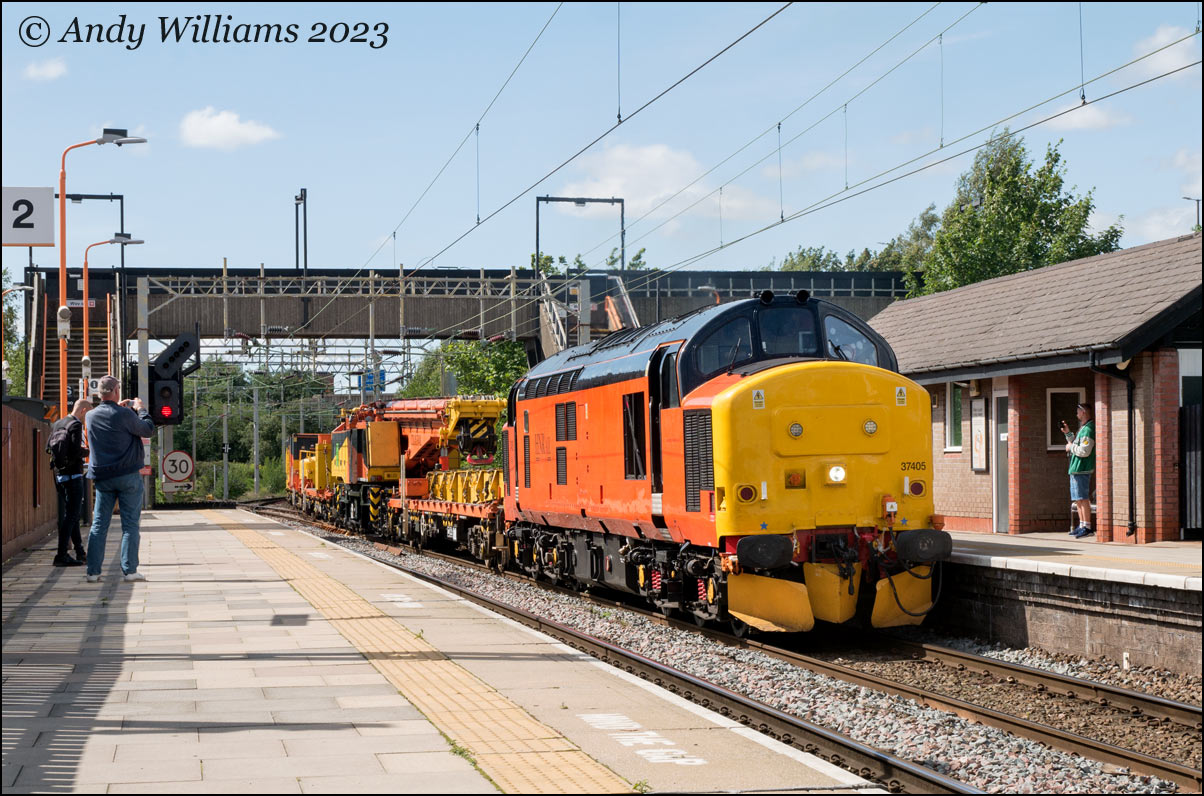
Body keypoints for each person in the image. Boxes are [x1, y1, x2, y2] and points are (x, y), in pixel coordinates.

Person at [84, 374, 155, 583]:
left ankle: (93, 572)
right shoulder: (125, 415)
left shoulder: (90, 416)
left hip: (103, 477)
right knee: (130, 525)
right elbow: (147, 430)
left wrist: (122, 409)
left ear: (100, 394)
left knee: (99, 525)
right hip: (127, 476)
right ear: (116, 391)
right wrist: (140, 409)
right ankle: (130, 570)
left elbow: (111, 420)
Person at [47, 398, 92, 567]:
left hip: (59, 474)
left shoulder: (59, 423)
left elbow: (48, 447)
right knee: (72, 516)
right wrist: (88, 451)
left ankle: (79, 552)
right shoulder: (75, 425)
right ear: (83, 411)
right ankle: (61, 554)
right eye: (87, 415)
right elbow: (74, 451)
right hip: (73, 475)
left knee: (71, 515)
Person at [1062, 402, 1096, 538]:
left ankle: (1087, 527)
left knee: (1083, 498)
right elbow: (1076, 442)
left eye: (1078, 411)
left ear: (1083, 412)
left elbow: (1084, 451)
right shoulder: (1083, 428)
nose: (1076, 413)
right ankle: (1082, 524)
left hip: (1082, 468)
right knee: (1078, 499)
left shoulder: (1088, 429)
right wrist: (1068, 433)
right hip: (1076, 468)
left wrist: (1070, 447)